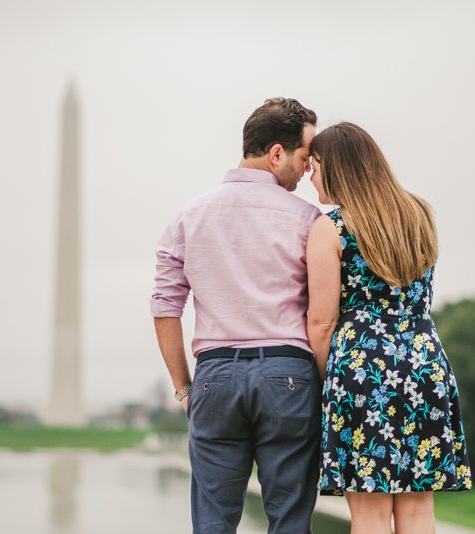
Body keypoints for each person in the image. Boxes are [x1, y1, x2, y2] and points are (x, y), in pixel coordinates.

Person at [150, 98, 322, 534]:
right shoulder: (309, 220)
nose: (308, 169)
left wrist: (183, 387)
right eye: (305, 157)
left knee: (213, 522)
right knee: (289, 521)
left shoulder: (188, 216)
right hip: (288, 374)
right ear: (277, 153)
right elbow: (323, 311)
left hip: (215, 376)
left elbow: (165, 307)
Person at [306, 122, 472, 534]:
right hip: (424, 362)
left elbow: (322, 323)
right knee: (418, 510)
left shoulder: (331, 227)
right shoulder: (418, 214)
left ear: (336, 167)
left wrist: (333, 383)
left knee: (370, 513)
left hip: (362, 371)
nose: (310, 175)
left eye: (315, 166)